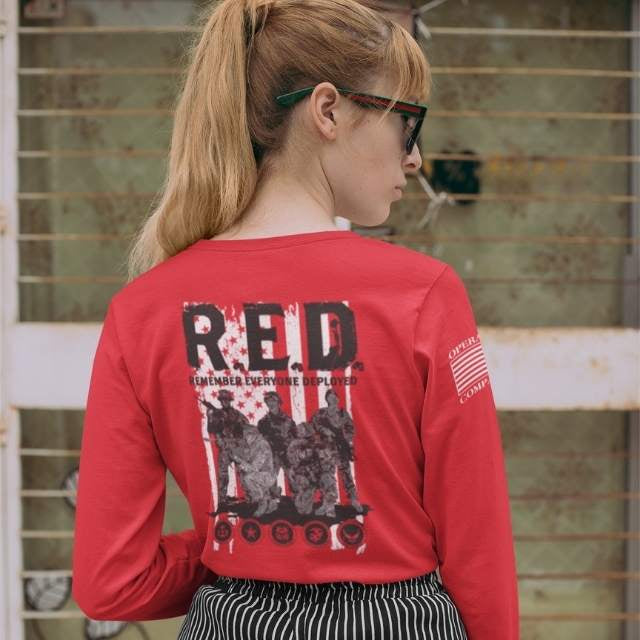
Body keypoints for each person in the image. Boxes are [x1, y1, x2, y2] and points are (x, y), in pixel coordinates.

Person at [71, 0, 520, 638]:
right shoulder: (424, 294)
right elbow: (477, 546)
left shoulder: (141, 311)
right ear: (328, 110)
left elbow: (111, 580)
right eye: (407, 123)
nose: (415, 159)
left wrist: (242, 548)